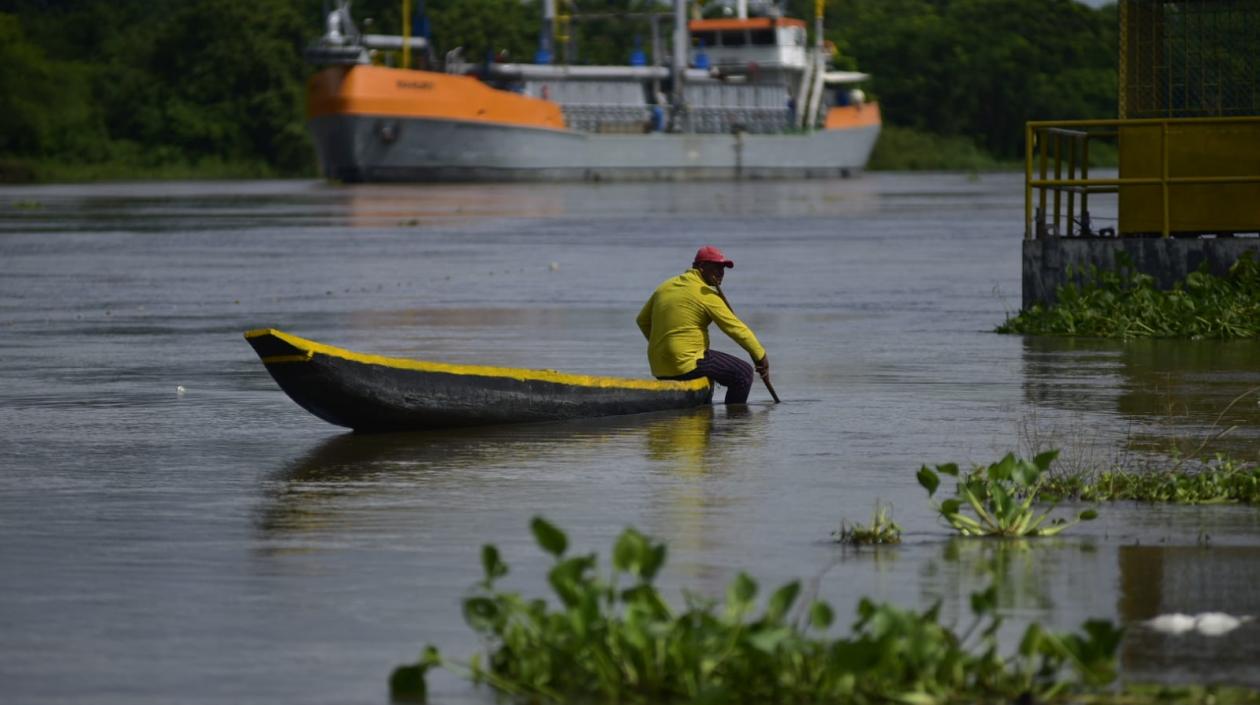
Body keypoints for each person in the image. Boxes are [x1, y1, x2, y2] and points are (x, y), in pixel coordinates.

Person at [636, 246, 769, 404]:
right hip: (686, 364)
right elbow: (736, 329)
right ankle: (734, 422)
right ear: (701, 267)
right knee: (744, 373)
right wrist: (760, 356)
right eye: (716, 267)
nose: (721, 273)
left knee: (713, 363)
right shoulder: (705, 294)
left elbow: (642, 321)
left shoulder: (665, 287)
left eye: (723, 268)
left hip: (658, 365)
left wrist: (663, 347)